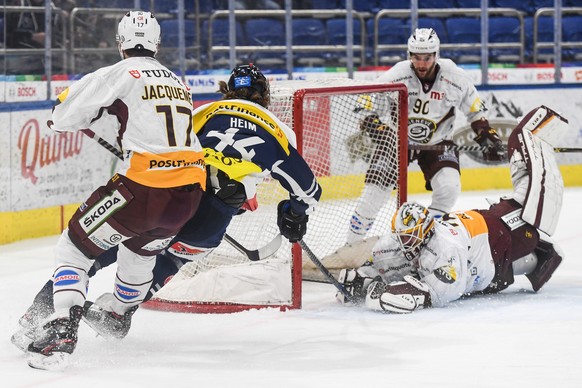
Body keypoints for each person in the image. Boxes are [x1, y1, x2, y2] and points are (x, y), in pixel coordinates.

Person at [12, 63, 322, 346]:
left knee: (90, 253)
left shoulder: (208, 110)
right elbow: (308, 188)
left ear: (227, 89)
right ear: (265, 97)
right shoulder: (281, 131)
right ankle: (119, 315)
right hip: (211, 222)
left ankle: (36, 320)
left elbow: (172, 147)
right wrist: (294, 216)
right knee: (169, 262)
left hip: (176, 198)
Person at [21, 11, 208, 370]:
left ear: (120, 42)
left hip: (142, 188)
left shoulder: (118, 72)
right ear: (156, 43)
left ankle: (61, 326)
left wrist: (83, 116)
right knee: (141, 253)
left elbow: (62, 114)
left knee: (74, 248)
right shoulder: (177, 81)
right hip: (187, 195)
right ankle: (119, 315)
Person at [337, 105, 567, 313]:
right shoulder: (391, 245)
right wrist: (360, 278)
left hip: (494, 234)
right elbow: (377, 268)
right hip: (483, 247)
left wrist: (407, 294)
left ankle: (542, 254)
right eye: (402, 237)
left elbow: (440, 291)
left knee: (528, 224)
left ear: (426, 231)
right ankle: (536, 257)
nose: (405, 243)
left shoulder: (445, 248)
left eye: (411, 236)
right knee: (505, 255)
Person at [346, 28, 505, 244]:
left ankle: (424, 242)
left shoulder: (455, 77)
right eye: (416, 57)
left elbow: (476, 109)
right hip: (395, 140)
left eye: (427, 58)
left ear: (436, 55)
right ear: (409, 55)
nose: (421, 64)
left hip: (439, 142)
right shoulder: (397, 74)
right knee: (373, 195)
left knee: (449, 188)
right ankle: (350, 247)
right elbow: (366, 102)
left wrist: (486, 133)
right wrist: (373, 124)